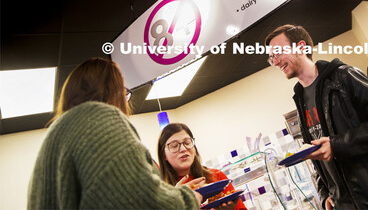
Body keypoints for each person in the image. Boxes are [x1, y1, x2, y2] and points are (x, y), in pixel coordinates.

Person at [265, 25, 368, 210]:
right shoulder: (300, 100)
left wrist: (337, 145)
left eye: (278, 53)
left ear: (300, 47)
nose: (275, 62)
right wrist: (325, 194)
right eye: (271, 57)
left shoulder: (343, 76)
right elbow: (317, 156)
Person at [28, 57, 201, 209]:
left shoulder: (55, 135)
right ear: (114, 91)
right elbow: (141, 201)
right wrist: (188, 198)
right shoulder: (103, 119)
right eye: (124, 92)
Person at [157, 123, 247, 210]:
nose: (183, 149)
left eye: (187, 142)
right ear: (163, 155)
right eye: (174, 146)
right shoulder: (159, 193)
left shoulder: (217, 176)